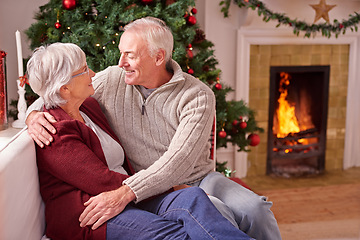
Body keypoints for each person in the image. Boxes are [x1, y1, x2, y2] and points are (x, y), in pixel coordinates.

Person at [26, 17, 281, 240]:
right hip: (144, 187)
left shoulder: (196, 95)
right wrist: (32, 116)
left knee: (256, 208)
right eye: (121, 52)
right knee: (215, 213)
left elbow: (178, 160)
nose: (120, 62)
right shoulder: (113, 80)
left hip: (193, 179)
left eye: (130, 55)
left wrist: (129, 191)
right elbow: (53, 92)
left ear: (159, 57)